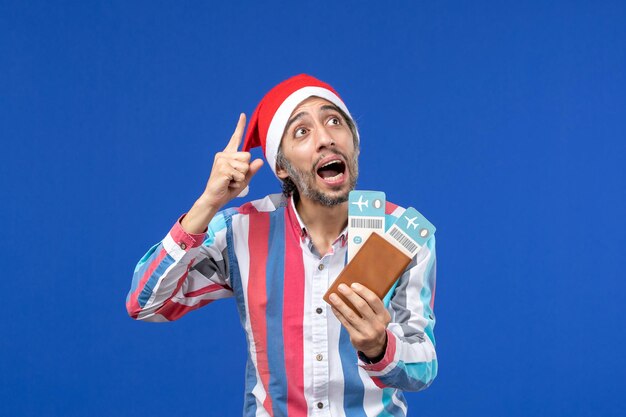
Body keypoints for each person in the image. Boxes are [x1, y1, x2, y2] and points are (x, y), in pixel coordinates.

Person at [126, 74, 437, 416]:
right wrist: (207, 203)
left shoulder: (401, 234)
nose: (325, 139)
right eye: (301, 131)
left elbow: (423, 367)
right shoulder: (239, 232)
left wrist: (381, 347)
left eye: (334, 121)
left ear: (354, 143)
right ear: (281, 166)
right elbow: (145, 303)